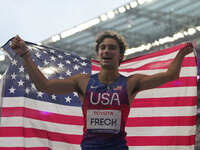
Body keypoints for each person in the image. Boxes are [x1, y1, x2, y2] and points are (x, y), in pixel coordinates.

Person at [11, 31, 193, 150]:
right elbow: (45, 86)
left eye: (112, 48)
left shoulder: (131, 83)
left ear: (120, 55)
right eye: (102, 48)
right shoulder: (82, 82)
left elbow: (171, 75)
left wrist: (181, 54)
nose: (106, 51)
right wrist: (25, 55)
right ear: (98, 54)